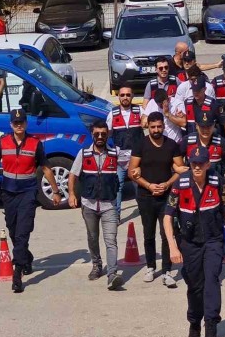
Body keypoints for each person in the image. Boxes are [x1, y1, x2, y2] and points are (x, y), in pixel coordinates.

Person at [164, 145, 225, 337]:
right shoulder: (180, 184)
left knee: (212, 280)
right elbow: (167, 217)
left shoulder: (216, 181)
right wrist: (173, 247)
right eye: (193, 163)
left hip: (213, 241)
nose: (197, 167)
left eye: (200, 163)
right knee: (195, 287)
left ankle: (211, 329)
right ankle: (194, 326)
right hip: (189, 244)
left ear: (207, 164)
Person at [0, 108, 61, 293]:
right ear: (11, 124)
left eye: (21, 122)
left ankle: (17, 273)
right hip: (8, 192)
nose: (19, 125)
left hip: (28, 193)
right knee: (13, 230)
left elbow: (46, 168)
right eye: (15, 123)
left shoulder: (35, 143)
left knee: (22, 232)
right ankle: (26, 257)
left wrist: (56, 191)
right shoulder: (3, 142)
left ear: (26, 124)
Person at [128, 112, 185, 287]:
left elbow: (180, 170)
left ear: (163, 126)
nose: (156, 130)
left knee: (167, 234)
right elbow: (132, 171)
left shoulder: (172, 145)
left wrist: (167, 184)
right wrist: (149, 186)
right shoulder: (140, 145)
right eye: (153, 127)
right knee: (148, 233)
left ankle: (167, 270)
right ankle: (150, 267)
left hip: (167, 197)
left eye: (159, 126)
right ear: (148, 127)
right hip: (146, 196)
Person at [68, 120, 125, 291]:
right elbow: (73, 175)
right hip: (89, 204)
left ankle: (112, 274)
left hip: (109, 205)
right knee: (92, 238)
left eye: (103, 134)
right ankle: (96, 265)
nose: (100, 137)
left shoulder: (116, 153)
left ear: (108, 135)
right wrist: (71, 194)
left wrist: (137, 173)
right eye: (97, 134)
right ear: (92, 134)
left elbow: (132, 166)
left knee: (111, 240)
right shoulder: (83, 153)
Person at [179, 101, 225, 249]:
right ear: (197, 126)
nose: (205, 130)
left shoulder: (221, 143)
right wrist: (179, 168)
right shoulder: (188, 141)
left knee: (224, 214)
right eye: (202, 127)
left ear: (214, 126)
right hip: (192, 189)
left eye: (208, 126)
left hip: (215, 188)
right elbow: (175, 160)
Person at [106, 84, 143, 219]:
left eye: (128, 95)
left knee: (138, 186)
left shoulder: (139, 110)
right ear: (118, 97)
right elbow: (106, 134)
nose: (125, 97)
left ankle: (144, 210)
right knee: (118, 187)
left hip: (136, 158)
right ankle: (116, 216)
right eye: (122, 95)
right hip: (120, 158)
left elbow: (147, 124)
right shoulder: (112, 114)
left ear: (132, 96)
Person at [177, 78, 225, 156]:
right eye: (194, 90)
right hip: (192, 143)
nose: (196, 93)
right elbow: (185, 122)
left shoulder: (213, 104)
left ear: (204, 89)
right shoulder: (187, 103)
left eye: (198, 90)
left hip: (210, 143)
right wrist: (182, 115)